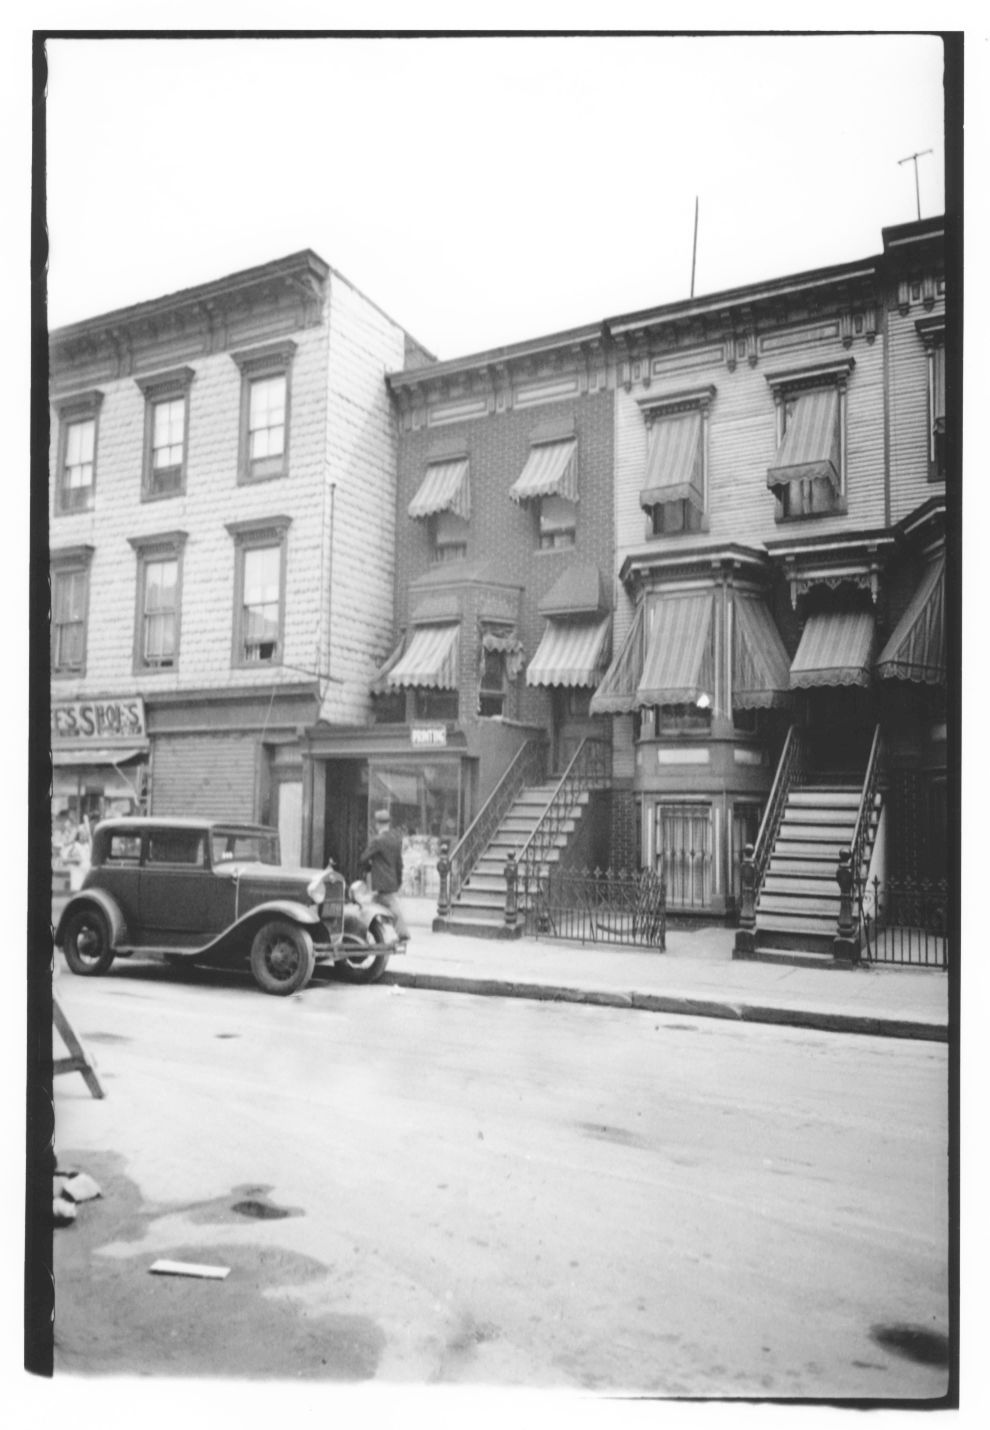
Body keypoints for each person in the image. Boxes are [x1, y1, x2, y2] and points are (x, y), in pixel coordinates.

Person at [359, 808, 410, 947]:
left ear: (377, 824)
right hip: (392, 880)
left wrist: (368, 867)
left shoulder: (378, 840)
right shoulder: (395, 839)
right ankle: (381, 934)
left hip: (381, 883)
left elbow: (363, 858)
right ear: (388, 823)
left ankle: (402, 933)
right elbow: (399, 863)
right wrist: (398, 880)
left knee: (374, 907)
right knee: (380, 906)